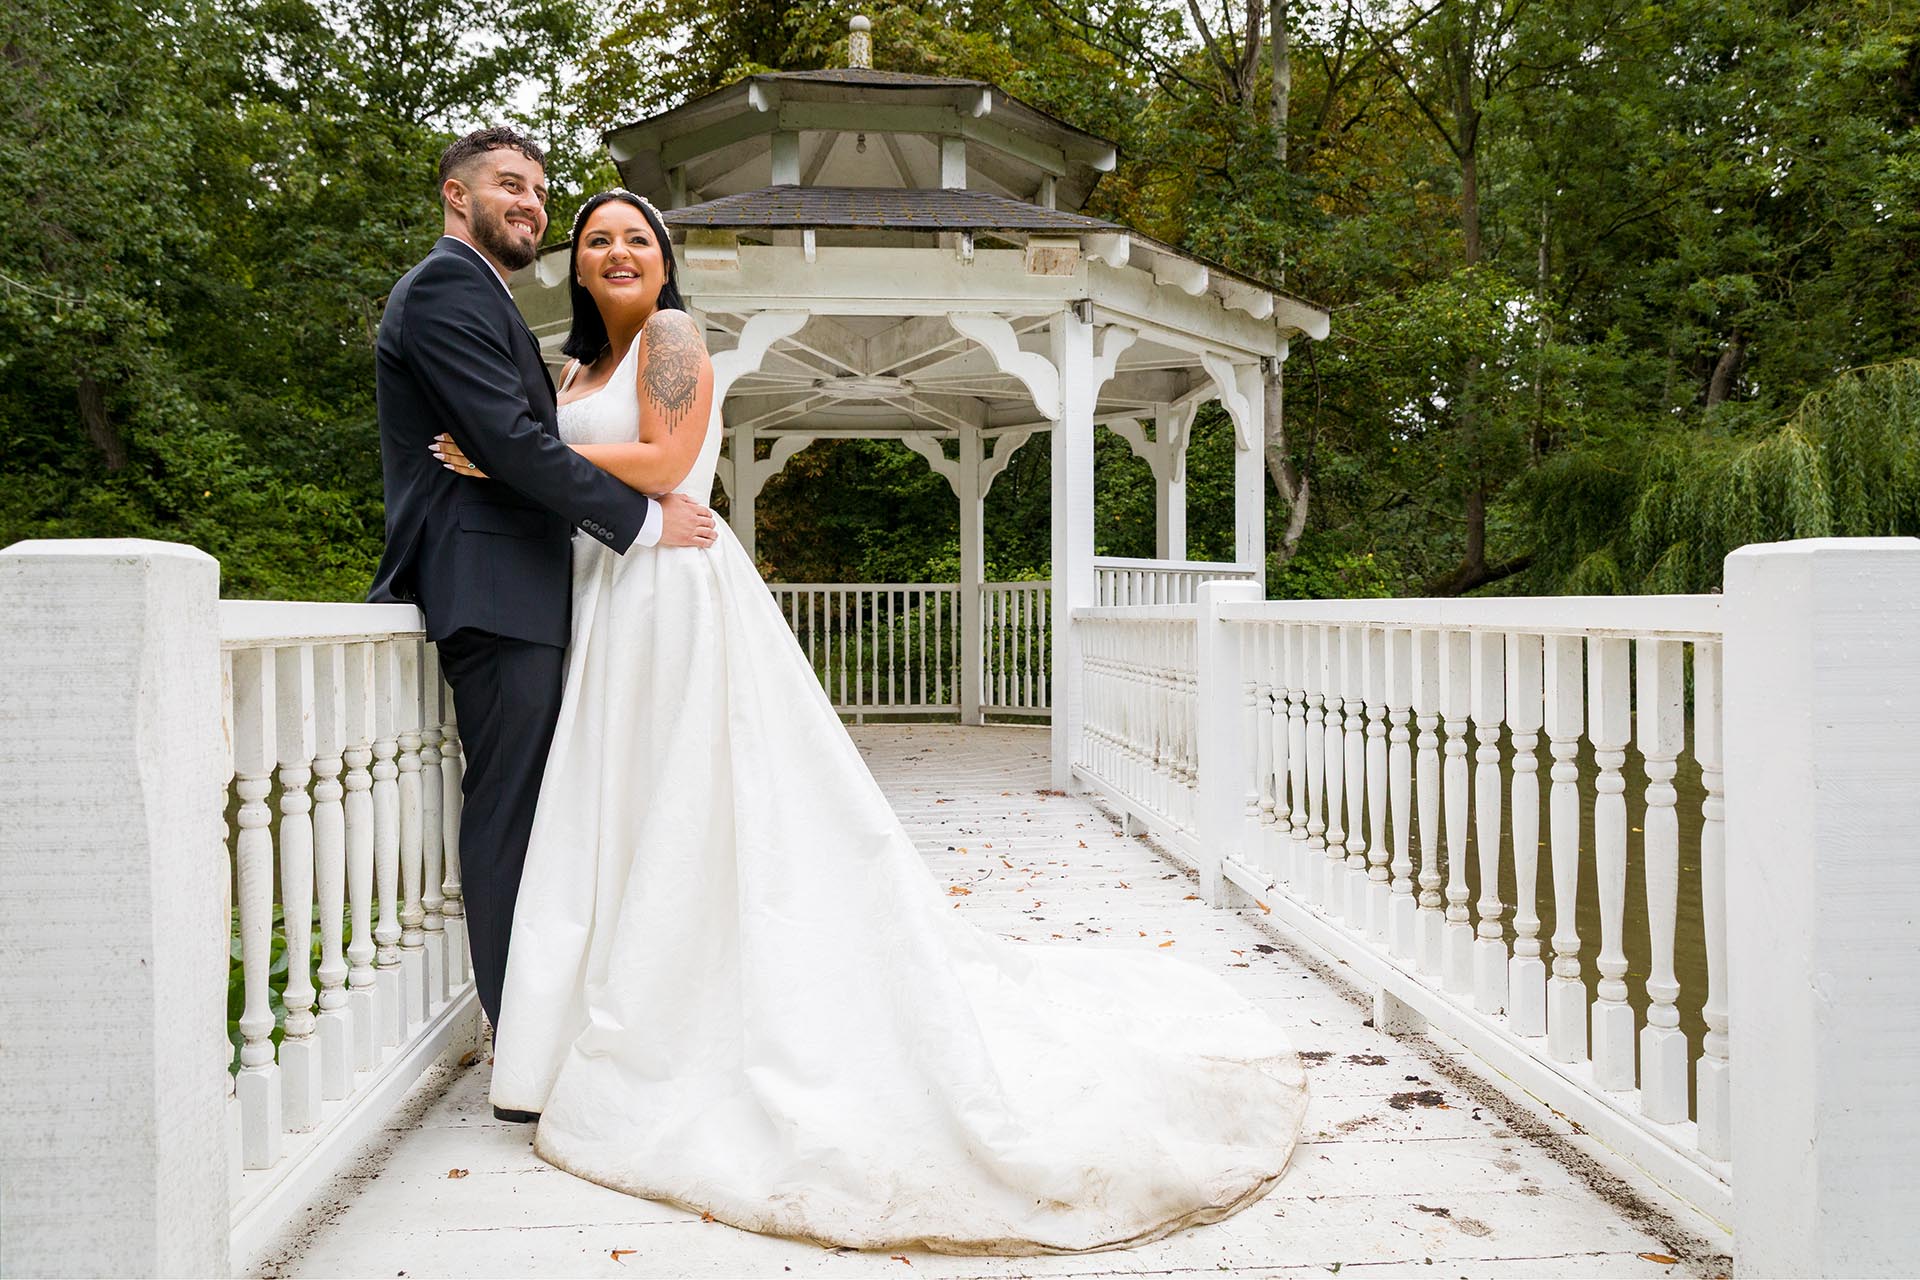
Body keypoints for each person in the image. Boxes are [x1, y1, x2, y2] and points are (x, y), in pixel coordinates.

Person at [434, 189, 1308, 1255]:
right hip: (601, 598)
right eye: (596, 240)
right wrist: (528, 457)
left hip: (672, 598)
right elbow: (583, 467)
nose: (617, 251)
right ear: (576, 266)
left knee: (696, 805)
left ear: (665, 264)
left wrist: (515, 458)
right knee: (617, 810)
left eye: (637, 239)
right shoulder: (570, 371)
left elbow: (667, 467)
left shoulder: (673, 336)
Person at [367, 128, 719, 1063]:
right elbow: (513, 444)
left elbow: (522, 446)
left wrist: (627, 515)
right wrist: (643, 524)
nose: (529, 202)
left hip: (558, 589)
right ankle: (520, 1028)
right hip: (493, 586)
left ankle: (572, 1009)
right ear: (457, 194)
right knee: (514, 810)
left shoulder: (504, 303)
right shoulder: (448, 289)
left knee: (558, 806)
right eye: (508, 186)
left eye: (538, 189)